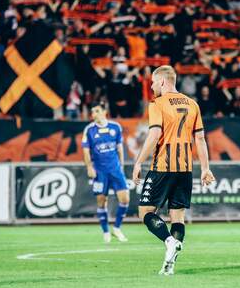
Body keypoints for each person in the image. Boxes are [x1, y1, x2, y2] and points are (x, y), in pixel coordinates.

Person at [132, 65, 215, 275]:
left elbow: (154, 135)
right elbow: (200, 139)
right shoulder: (193, 104)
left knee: (145, 212)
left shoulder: (157, 103)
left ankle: (169, 241)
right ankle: (169, 265)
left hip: (162, 166)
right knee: (177, 217)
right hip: (185, 169)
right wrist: (205, 168)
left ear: (162, 81)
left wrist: (138, 162)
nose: (152, 87)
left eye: (153, 82)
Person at [82, 104, 130, 243]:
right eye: (92, 112)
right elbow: (86, 151)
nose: (94, 114)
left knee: (125, 199)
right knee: (101, 202)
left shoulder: (115, 127)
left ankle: (117, 228)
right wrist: (89, 167)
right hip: (100, 171)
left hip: (115, 170)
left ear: (104, 112)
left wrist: (121, 166)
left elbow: (120, 148)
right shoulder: (89, 130)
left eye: (96, 111)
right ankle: (106, 232)